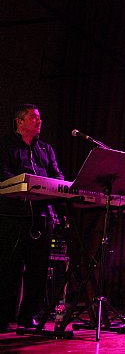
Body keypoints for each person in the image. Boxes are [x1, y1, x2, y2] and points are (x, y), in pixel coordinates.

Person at [0, 104, 64, 332]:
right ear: (19, 121)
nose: (39, 121)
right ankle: (3, 316)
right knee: (9, 268)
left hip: (42, 216)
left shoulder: (46, 149)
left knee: (38, 270)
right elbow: (3, 174)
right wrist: (27, 184)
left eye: (40, 118)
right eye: (33, 117)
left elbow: (57, 175)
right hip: (13, 215)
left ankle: (29, 317)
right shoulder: (5, 145)